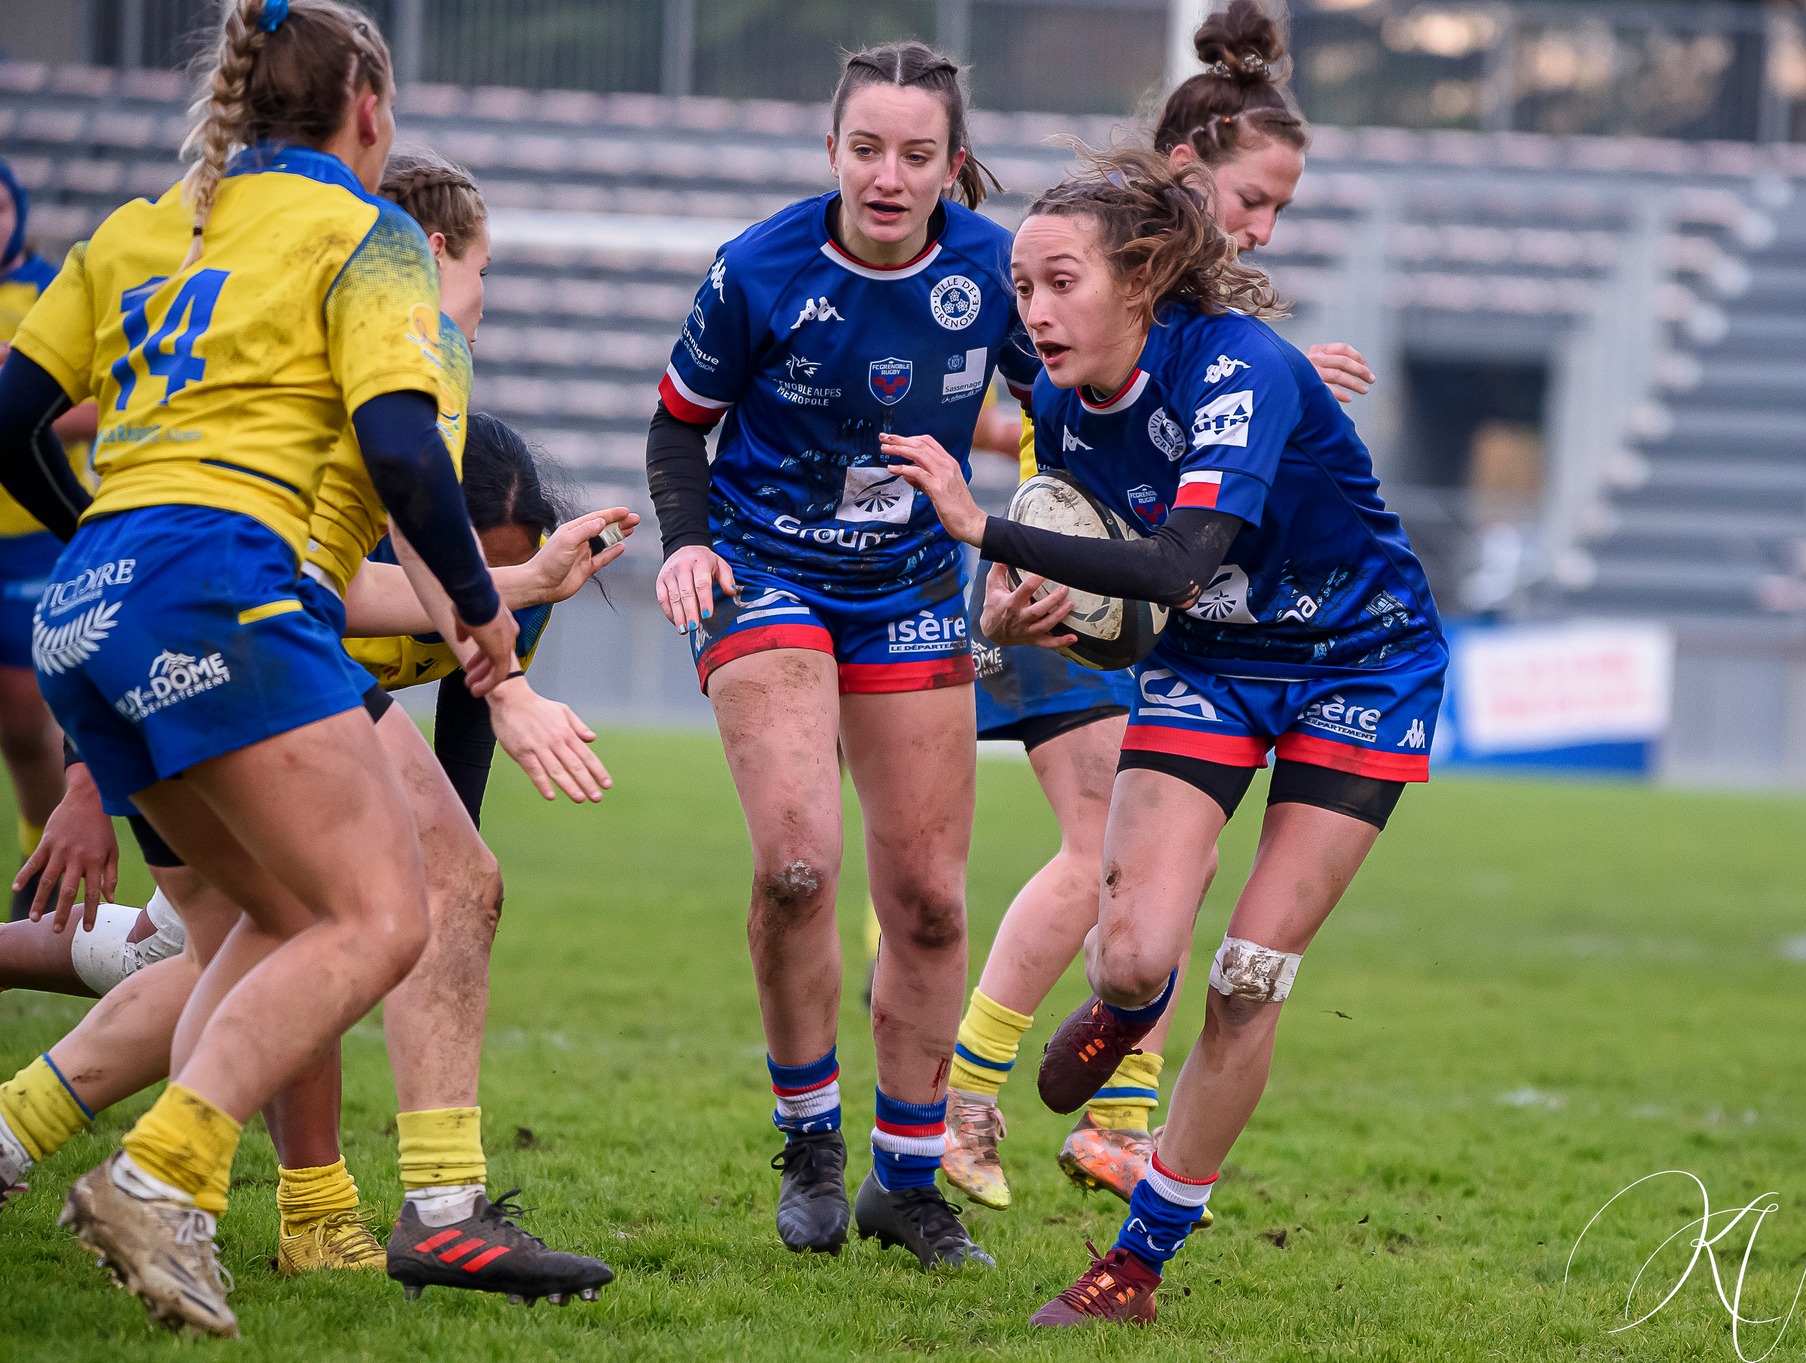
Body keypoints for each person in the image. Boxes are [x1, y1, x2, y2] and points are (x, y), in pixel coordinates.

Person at [0, 0, 520, 1336]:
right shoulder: (368, 232)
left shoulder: (144, 226)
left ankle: (117, 1163)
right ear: (369, 109)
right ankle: (157, 1175)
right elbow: (401, 443)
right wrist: (482, 609)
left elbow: (7, 421)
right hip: (228, 588)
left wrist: (109, 537)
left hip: (86, 602)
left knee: (274, 920)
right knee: (384, 916)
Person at [884, 143, 1445, 1326]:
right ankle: (1128, 1011)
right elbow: (1124, 606)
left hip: (1362, 663)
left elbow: (1179, 561)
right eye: (1021, 287)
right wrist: (1025, 617)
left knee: (1244, 979)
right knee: (1131, 957)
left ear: (1138, 282)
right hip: (1214, 663)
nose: (1033, 312)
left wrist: (981, 532)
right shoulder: (1056, 404)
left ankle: (1133, 1265)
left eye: (1060, 283)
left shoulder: (1240, 368)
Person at [942, 0, 1377, 1216]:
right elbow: (1017, 410)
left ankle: (1118, 1122)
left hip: (1131, 588)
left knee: (1159, 876)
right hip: (1068, 573)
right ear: (1184, 171)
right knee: (1101, 854)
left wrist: (1283, 395)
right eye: (1251, 199)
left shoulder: (1197, 331)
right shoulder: (1086, 269)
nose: (1262, 227)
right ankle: (960, 1098)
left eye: (1279, 209)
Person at [644, 40, 1036, 1269]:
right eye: (865, 149)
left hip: (909, 585)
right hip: (762, 570)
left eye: (915, 154)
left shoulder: (996, 267)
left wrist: (1032, 544)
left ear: (951, 166)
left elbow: (1070, 408)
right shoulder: (757, 268)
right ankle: (810, 1141)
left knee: (928, 900)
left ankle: (904, 1183)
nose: (886, 175)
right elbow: (676, 430)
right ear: (831, 152)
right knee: (798, 867)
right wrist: (685, 543)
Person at [0, 157, 98, 921]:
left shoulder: (51, 290)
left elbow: (103, 401)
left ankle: (38, 857)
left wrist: (16, 407)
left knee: (26, 722)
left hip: (36, 537)